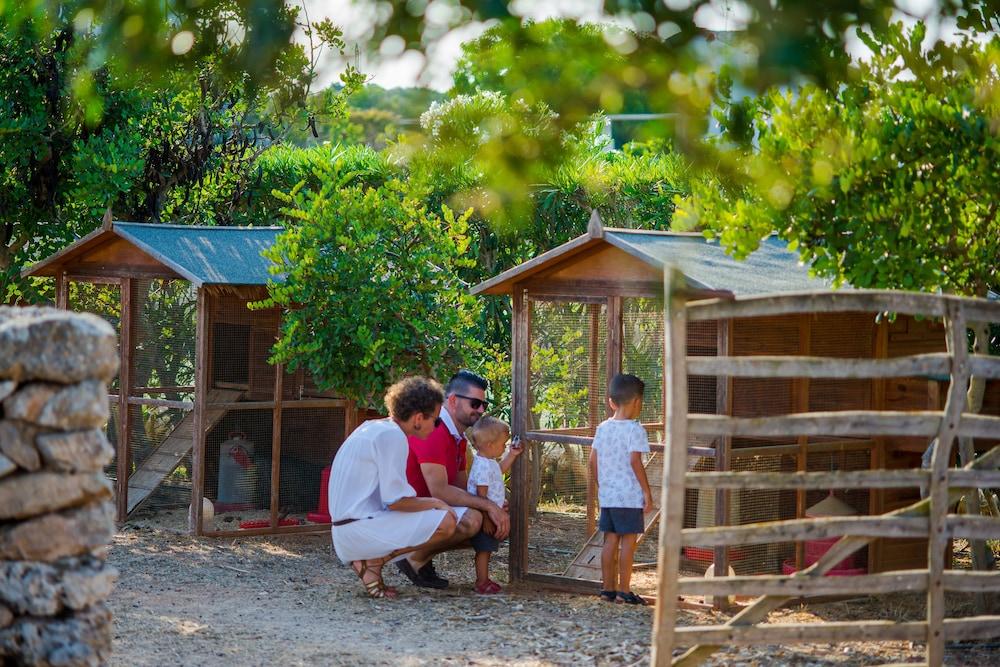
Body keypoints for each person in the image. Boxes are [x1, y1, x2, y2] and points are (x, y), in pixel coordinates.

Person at [327, 376, 460, 599]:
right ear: (418, 418)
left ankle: (371, 564)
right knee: (447, 521)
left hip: (346, 531)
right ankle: (373, 562)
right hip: (358, 531)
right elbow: (397, 501)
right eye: (436, 421)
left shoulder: (373, 427)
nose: (437, 427)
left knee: (439, 514)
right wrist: (437, 502)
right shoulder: (393, 436)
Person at [398, 369, 510, 589]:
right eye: (475, 404)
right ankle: (413, 557)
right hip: (403, 510)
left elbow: (460, 488)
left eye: (483, 405)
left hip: (428, 510)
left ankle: (421, 557)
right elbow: (440, 491)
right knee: (472, 520)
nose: (480, 411)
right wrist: (487, 506)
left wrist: (491, 506)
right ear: (452, 400)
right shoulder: (435, 429)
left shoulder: (457, 437)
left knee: (498, 523)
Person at [588, 373, 654, 605]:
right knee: (628, 542)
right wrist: (647, 492)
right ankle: (624, 591)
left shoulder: (603, 428)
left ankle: (607, 589)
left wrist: (602, 485)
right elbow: (635, 461)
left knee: (610, 541)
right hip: (629, 497)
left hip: (609, 495)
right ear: (637, 402)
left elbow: (592, 461)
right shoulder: (636, 430)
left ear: (611, 402)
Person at [465, 416, 523, 594]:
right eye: (503, 444)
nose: (505, 447)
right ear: (490, 445)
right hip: (486, 516)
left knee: (487, 549)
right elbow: (481, 497)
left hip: (491, 514)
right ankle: (481, 581)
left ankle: (484, 579)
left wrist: (512, 455)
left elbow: (500, 470)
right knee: (484, 550)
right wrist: (486, 520)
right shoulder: (482, 467)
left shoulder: (488, 462)